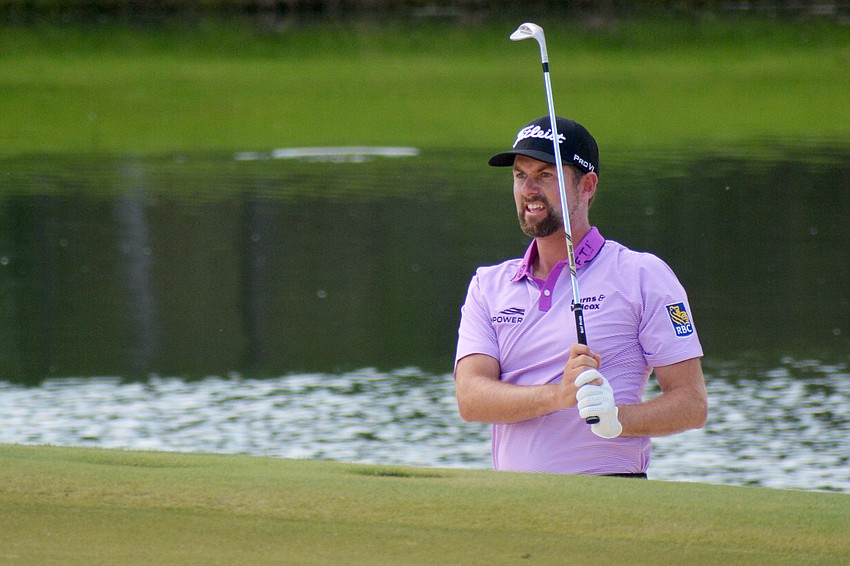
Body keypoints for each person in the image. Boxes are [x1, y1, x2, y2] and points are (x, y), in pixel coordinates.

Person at [454, 115, 707, 476]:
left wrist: (617, 420)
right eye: (520, 175)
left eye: (545, 175)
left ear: (587, 186)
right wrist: (558, 395)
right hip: (512, 503)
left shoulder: (642, 275)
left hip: (611, 496)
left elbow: (692, 405)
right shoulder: (488, 284)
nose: (528, 189)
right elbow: (471, 399)